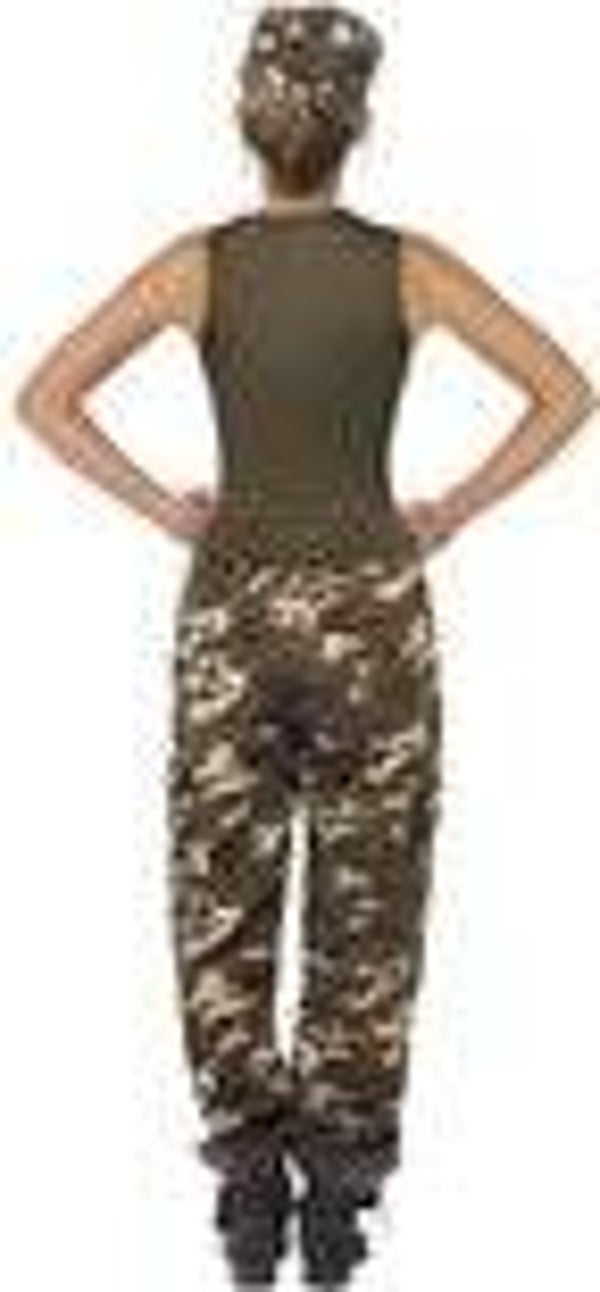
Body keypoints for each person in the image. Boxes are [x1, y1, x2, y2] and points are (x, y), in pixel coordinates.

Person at [15, 4, 596, 1288]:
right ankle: (336, 1200)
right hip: (375, 619)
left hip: (230, 612)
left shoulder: (197, 267)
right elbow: (568, 390)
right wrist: (448, 511)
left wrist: (169, 507)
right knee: (369, 896)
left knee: (221, 889)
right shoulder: (409, 268)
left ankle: (245, 1187)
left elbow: (44, 397)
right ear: (359, 124)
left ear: (246, 122)